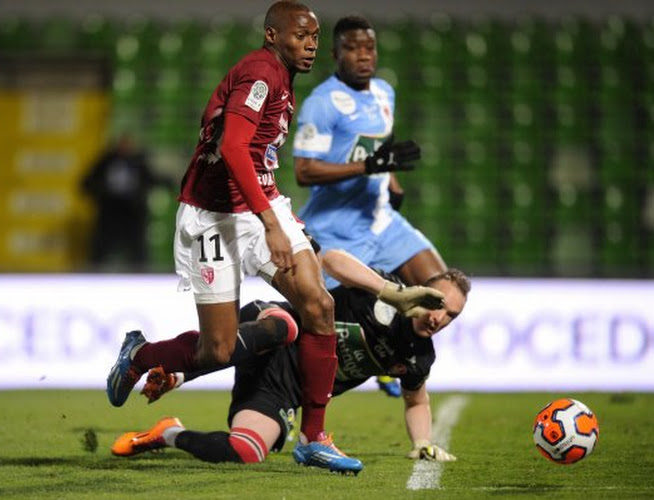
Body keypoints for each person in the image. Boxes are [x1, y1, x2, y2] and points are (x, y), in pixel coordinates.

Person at [106, 1, 363, 473]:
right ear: (271, 36)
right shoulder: (261, 72)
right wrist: (270, 224)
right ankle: (139, 354)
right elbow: (232, 147)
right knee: (217, 350)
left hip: (261, 202)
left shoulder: (278, 75)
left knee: (318, 304)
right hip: (214, 216)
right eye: (300, 36)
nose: (310, 45)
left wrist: (270, 214)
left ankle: (314, 436)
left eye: (314, 37)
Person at [110, 248, 470, 471]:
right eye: (436, 302)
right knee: (287, 328)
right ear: (423, 290)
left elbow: (417, 399)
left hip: (282, 389)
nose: (438, 317)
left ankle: (166, 433)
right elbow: (331, 260)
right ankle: (156, 361)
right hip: (274, 325)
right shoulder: (386, 293)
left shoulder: (418, 356)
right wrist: (393, 291)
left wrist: (421, 443)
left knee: (247, 451)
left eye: (450, 315)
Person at [292, 15, 449, 398]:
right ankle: (303, 393)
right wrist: (367, 167)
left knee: (441, 293)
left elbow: (380, 149)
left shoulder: (383, 92)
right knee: (331, 328)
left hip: (381, 219)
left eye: (369, 47)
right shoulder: (322, 104)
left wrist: (390, 182)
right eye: (352, 48)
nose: (363, 56)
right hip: (337, 228)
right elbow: (304, 171)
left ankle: (396, 359)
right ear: (335, 54)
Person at [81, 133, 165, 271]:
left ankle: (143, 280)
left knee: (138, 251)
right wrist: (102, 194)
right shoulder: (106, 161)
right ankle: (91, 278)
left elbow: (151, 179)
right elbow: (87, 183)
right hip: (110, 211)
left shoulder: (138, 162)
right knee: (100, 250)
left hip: (132, 212)